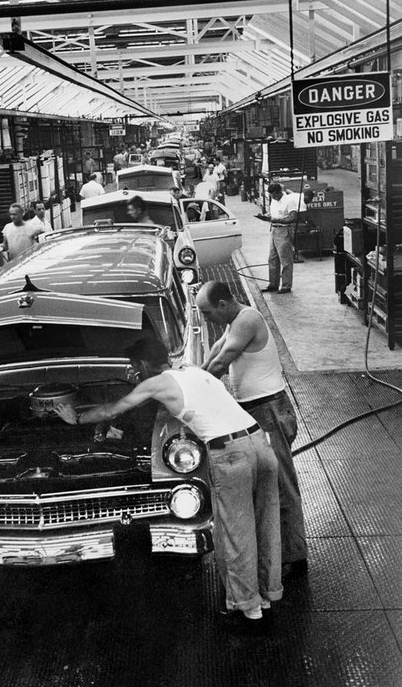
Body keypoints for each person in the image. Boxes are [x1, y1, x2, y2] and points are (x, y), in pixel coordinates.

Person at [54, 337, 282, 631]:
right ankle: (267, 595)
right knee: (266, 524)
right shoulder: (196, 372)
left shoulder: (159, 382)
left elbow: (115, 409)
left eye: (134, 367)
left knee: (235, 532)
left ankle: (248, 608)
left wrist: (76, 419)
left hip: (231, 455)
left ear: (144, 364)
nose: (134, 374)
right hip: (259, 443)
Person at [195, 281, 308, 581]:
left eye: (207, 313)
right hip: (255, 411)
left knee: (282, 481)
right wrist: (192, 378)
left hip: (269, 409)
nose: (206, 320)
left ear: (222, 304)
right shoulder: (233, 323)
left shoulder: (248, 319)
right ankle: (278, 549)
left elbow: (220, 363)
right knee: (266, 481)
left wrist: (193, 391)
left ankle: (296, 554)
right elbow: (211, 356)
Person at [263, 182, 300, 293]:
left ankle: (286, 285)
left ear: (279, 192)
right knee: (272, 258)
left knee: (285, 259)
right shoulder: (274, 201)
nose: (273, 198)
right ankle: (273, 284)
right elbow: (273, 215)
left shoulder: (289, 201)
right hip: (274, 230)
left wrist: (278, 220)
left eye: (275, 195)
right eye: (272, 196)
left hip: (284, 230)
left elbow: (293, 218)